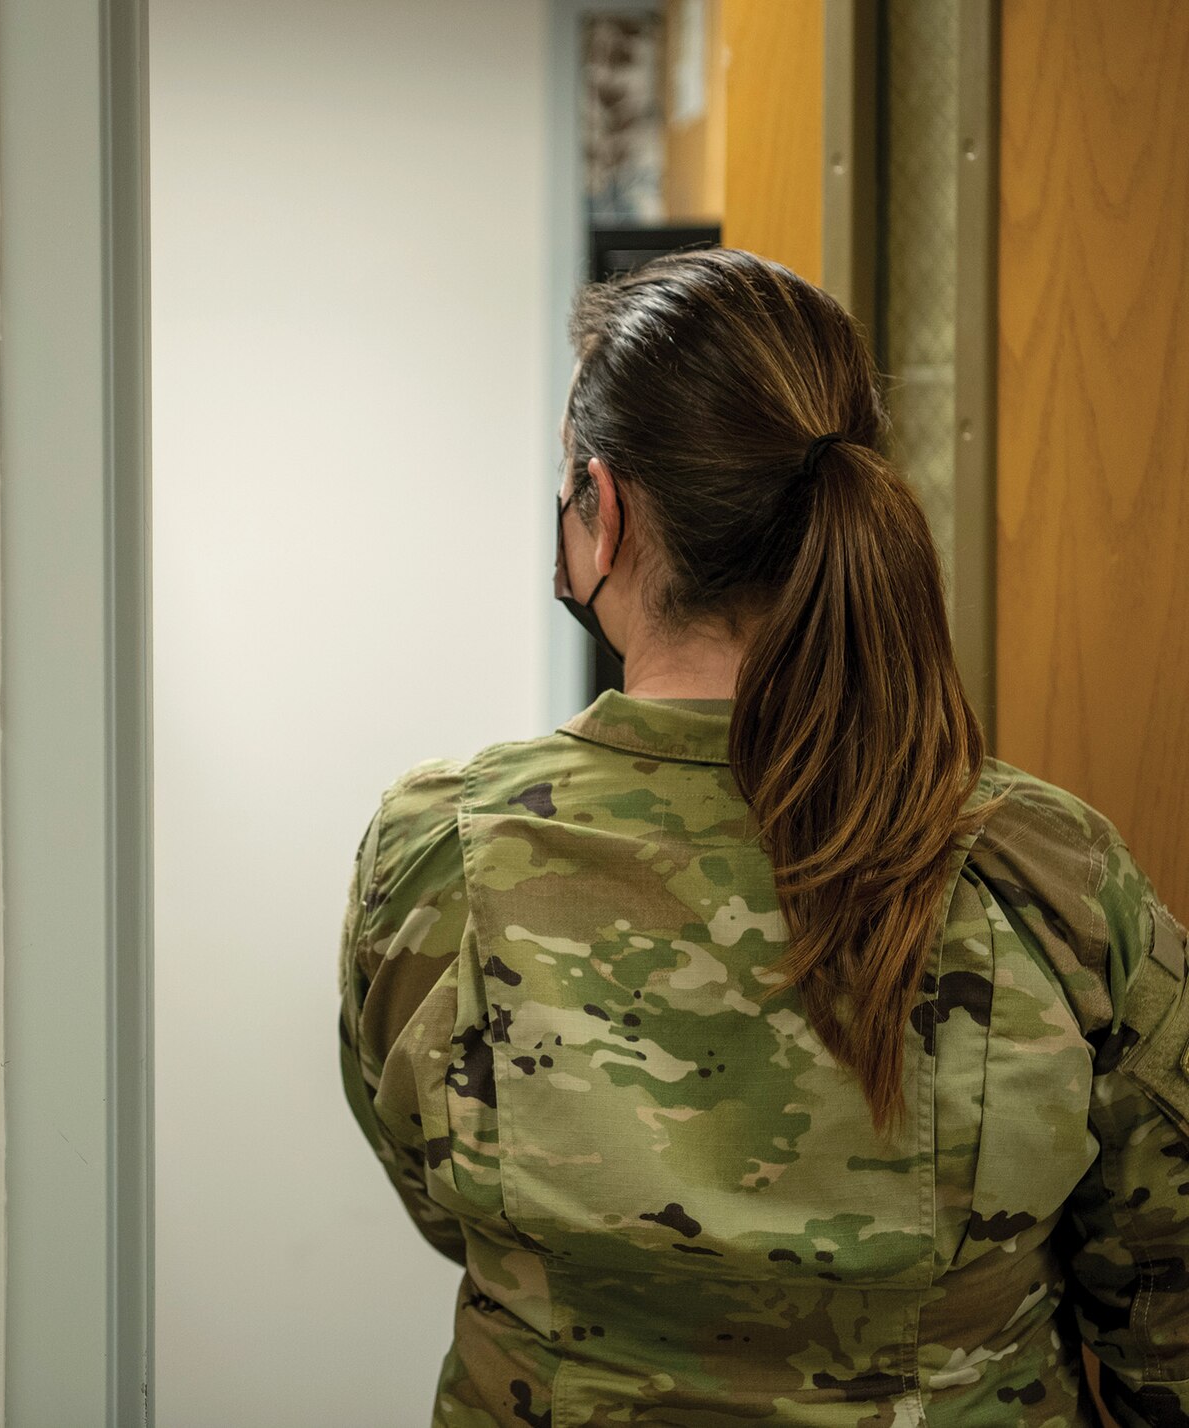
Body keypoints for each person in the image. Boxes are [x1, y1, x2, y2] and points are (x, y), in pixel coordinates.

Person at [337, 248, 1189, 1426]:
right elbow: (1166, 1300)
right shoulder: (1044, 870)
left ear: (604, 511)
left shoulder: (439, 854)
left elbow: (442, 1203)